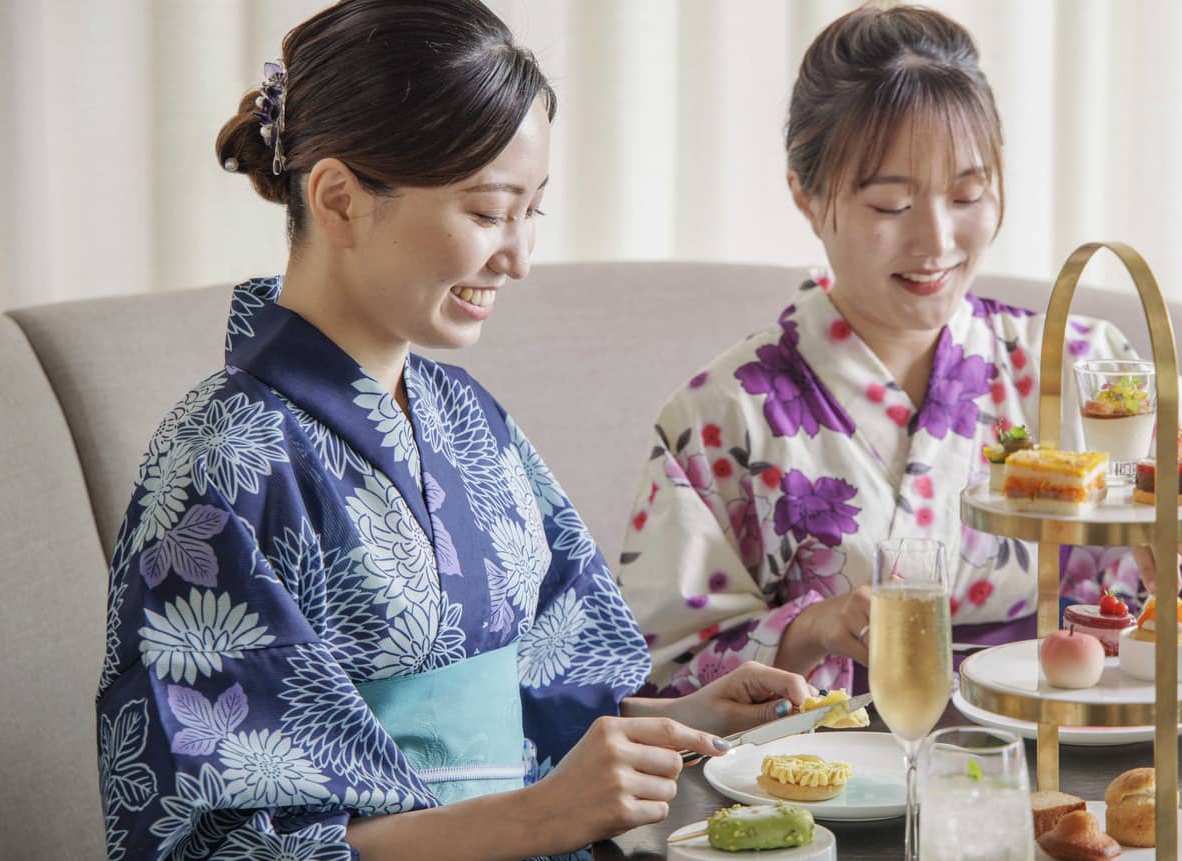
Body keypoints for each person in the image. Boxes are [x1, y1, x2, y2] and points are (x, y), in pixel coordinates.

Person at [94, 3, 806, 859]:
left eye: (532, 210)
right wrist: (540, 817)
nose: (520, 257)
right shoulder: (219, 464)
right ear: (339, 199)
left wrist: (681, 718)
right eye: (488, 212)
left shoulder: (467, 418)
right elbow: (212, 840)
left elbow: (530, 696)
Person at [617, 3, 1182, 698]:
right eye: (891, 206)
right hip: (846, 783)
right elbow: (655, 676)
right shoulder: (722, 415)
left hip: (1092, 763)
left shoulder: (1088, 369)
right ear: (806, 195)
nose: (936, 242)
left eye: (967, 195)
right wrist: (816, 626)